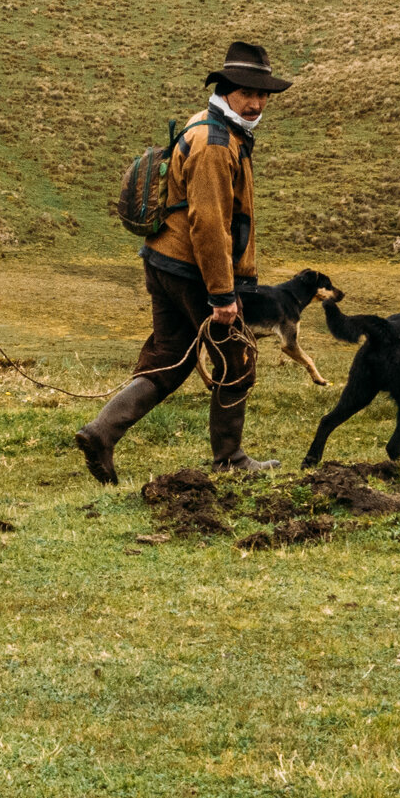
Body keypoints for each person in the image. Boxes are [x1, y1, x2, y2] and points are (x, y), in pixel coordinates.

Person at [74, 41, 293, 483]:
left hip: (165, 262)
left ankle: (101, 433)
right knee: (237, 360)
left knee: (170, 358)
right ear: (227, 88)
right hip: (194, 272)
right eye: (248, 92)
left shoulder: (207, 125)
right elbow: (209, 224)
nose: (256, 103)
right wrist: (223, 295)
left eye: (263, 94)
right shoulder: (215, 143)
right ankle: (229, 459)